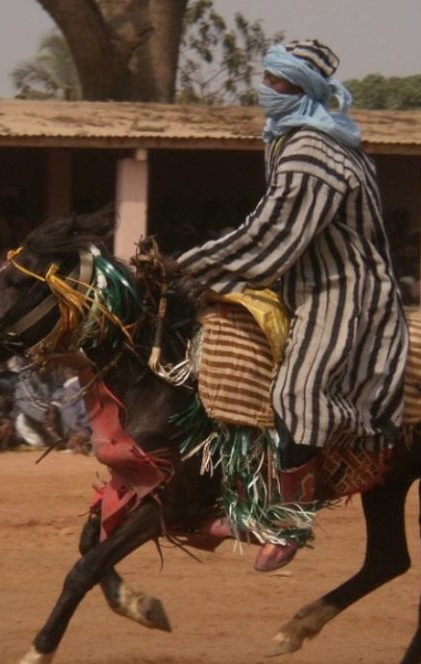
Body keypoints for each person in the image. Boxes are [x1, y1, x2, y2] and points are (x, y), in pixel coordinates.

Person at [173, 40, 406, 572]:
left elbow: (274, 237)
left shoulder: (314, 151)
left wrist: (188, 267)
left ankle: (289, 522)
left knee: (297, 390)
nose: (266, 90)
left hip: (345, 290)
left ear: (302, 89)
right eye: (267, 78)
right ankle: (239, 501)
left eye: (278, 83)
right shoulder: (288, 139)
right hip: (301, 286)